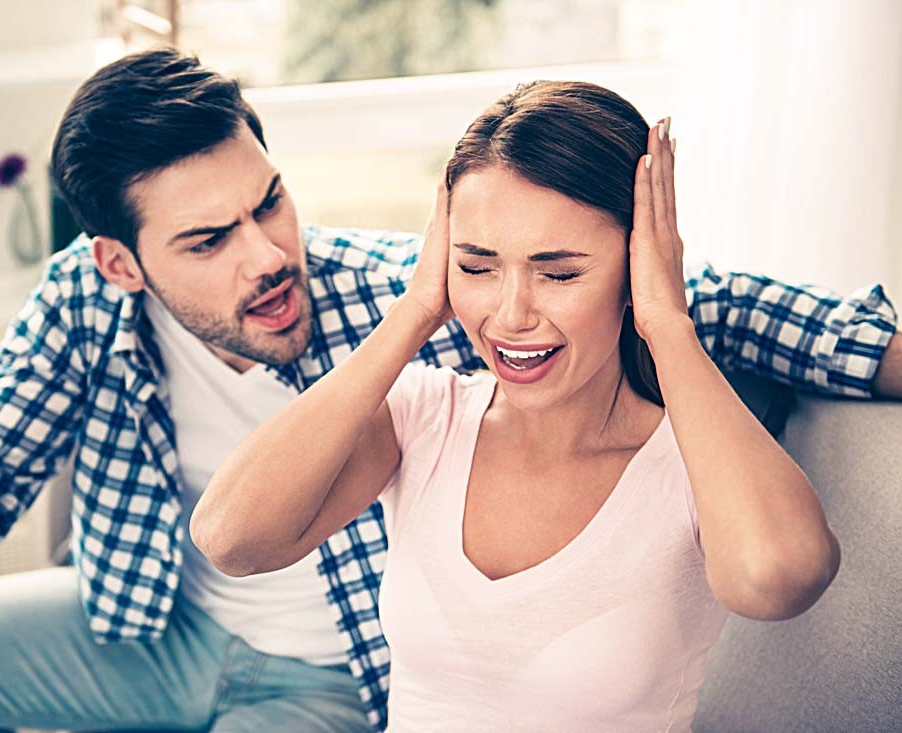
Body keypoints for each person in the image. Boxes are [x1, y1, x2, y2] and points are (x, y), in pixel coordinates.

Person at [0, 48, 898, 733]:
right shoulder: (84, 308)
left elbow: (734, 310)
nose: (266, 254)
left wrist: (659, 311)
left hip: (329, 675)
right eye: (208, 240)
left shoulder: (395, 285)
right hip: (149, 626)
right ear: (120, 263)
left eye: (269, 203)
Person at [191, 81, 846, 731]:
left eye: (559, 273)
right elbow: (233, 539)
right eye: (477, 267)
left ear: (635, 266)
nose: (510, 316)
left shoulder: (690, 462)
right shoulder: (425, 415)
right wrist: (417, 309)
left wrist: (666, 322)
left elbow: (776, 576)